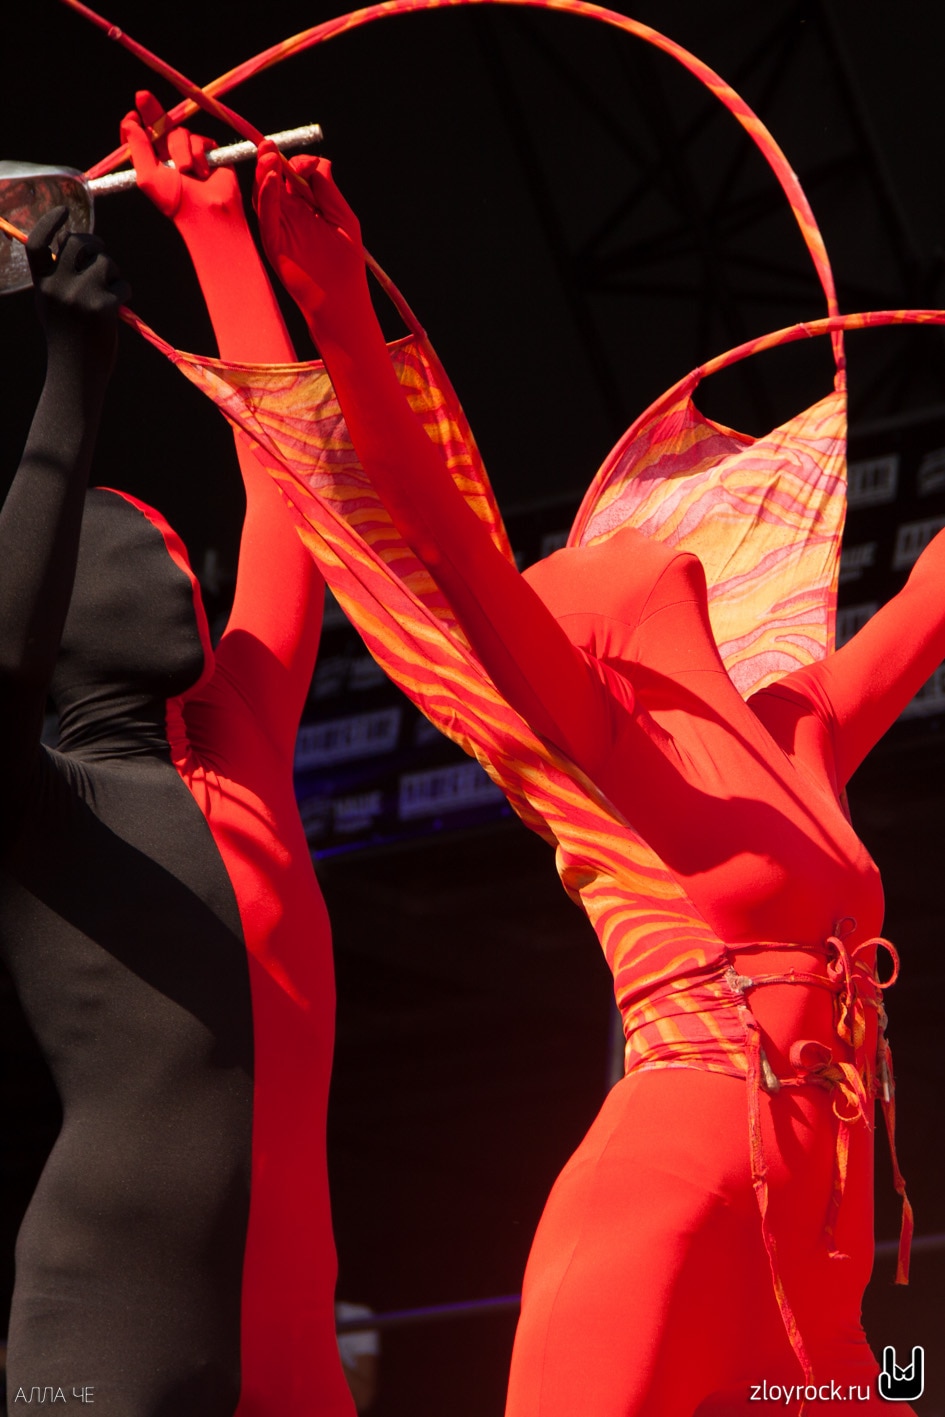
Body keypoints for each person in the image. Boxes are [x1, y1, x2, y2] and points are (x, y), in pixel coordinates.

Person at [248, 148, 945, 1415]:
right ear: (592, 638)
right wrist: (337, 308)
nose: (626, 537)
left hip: (822, 1248)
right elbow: (447, 543)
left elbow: (933, 595)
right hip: (669, 1200)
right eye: (579, 559)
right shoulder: (613, 753)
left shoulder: (801, 729)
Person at [0, 99, 354, 1415]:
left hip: (295, 1352)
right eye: (126, 540)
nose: (174, 556)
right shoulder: (40, 807)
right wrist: (70, 381)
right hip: (107, 1336)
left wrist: (217, 233)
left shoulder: (242, 739)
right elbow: (4, 662)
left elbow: (293, 484)